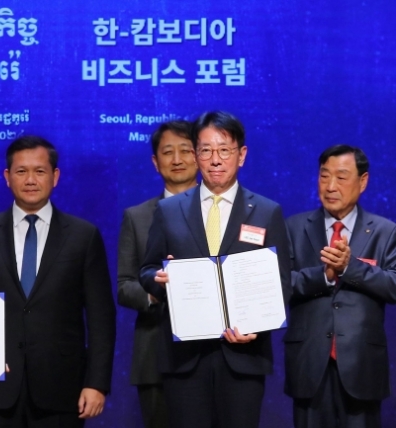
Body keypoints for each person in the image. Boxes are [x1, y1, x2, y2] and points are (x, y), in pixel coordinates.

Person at [139, 111, 291, 428]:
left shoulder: (266, 211)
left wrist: (258, 326)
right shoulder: (169, 210)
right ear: (196, 155)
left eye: (225, 150)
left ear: (242, 155)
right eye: (206, 150)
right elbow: (147, 269)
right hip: (185, 359)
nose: (215, 160)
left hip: (244, 357)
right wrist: (159, 280)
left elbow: (281, 283)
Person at [0, 135, 116, 428]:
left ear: (55, 176)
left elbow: (101, 318)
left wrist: (96, 384)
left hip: (62, 390)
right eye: (21, 171)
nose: (31, 179)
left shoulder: (83, 236)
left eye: (40, 171)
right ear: (7, 177)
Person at [284, 145, 396, 428]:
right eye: (324, 176)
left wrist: (350, 268)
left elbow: (393, 285)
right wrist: (323, 276)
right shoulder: (293, 227)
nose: (330, 186)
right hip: (309, 364)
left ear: (363, 181)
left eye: (341, 177)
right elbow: (280, 284)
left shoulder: (385, 231)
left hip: (362, 365)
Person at [117, 120, 197, 428]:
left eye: (186, 151)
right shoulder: (136, 217)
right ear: (155, 162)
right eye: (168, 152)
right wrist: (154, 290)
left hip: (213, 354)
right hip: (155, 355)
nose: (177, 159)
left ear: (200, 155)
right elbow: (125, 285)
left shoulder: (221, 211)